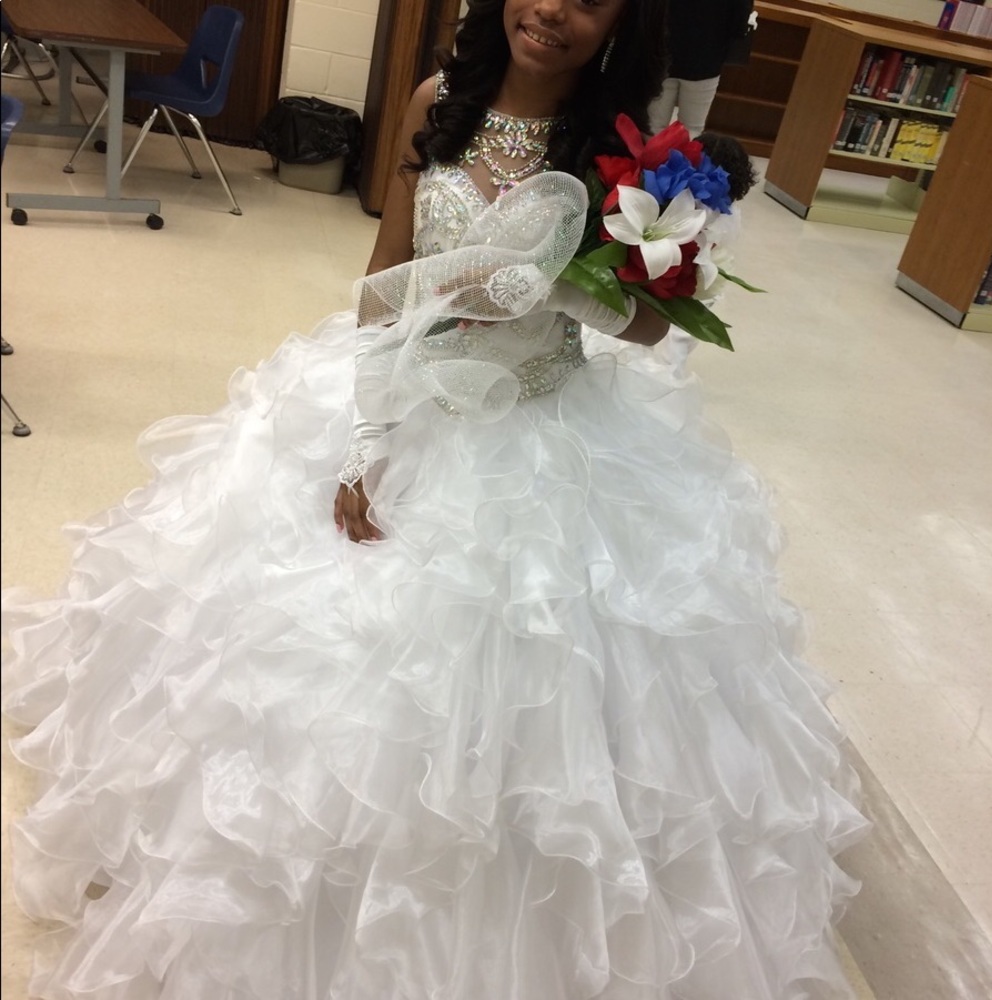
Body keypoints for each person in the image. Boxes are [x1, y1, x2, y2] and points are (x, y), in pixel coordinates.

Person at [1, 1, 868, 998]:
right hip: (409, 398)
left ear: (620, 22)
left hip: (545, 435)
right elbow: (384, 282)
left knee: (545, 702)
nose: (554, 12)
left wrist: (564, 289)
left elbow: (644, 334)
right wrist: (364, 435)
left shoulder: (628, 150)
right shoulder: (435, 102)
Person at [648, 0, 756, 136]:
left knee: (654, 125)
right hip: (706, 57)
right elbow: (739, 24)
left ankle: (650, 156)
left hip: (662, 49)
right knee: (692, 129)